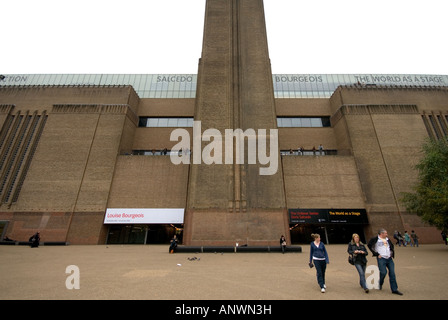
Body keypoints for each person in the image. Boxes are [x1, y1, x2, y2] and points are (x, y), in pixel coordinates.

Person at [367, 228, 403, 295]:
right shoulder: (375, 239)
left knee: (392, 274)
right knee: (383, 272)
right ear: (381, 234)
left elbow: (391, 246)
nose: (387, 234)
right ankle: (380, 283)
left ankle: (394, 289)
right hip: (381, 258)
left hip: (389, 258)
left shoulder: (387, 239)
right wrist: (376, 254)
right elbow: (369, 245)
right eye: (386, 233)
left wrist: (391, 253)